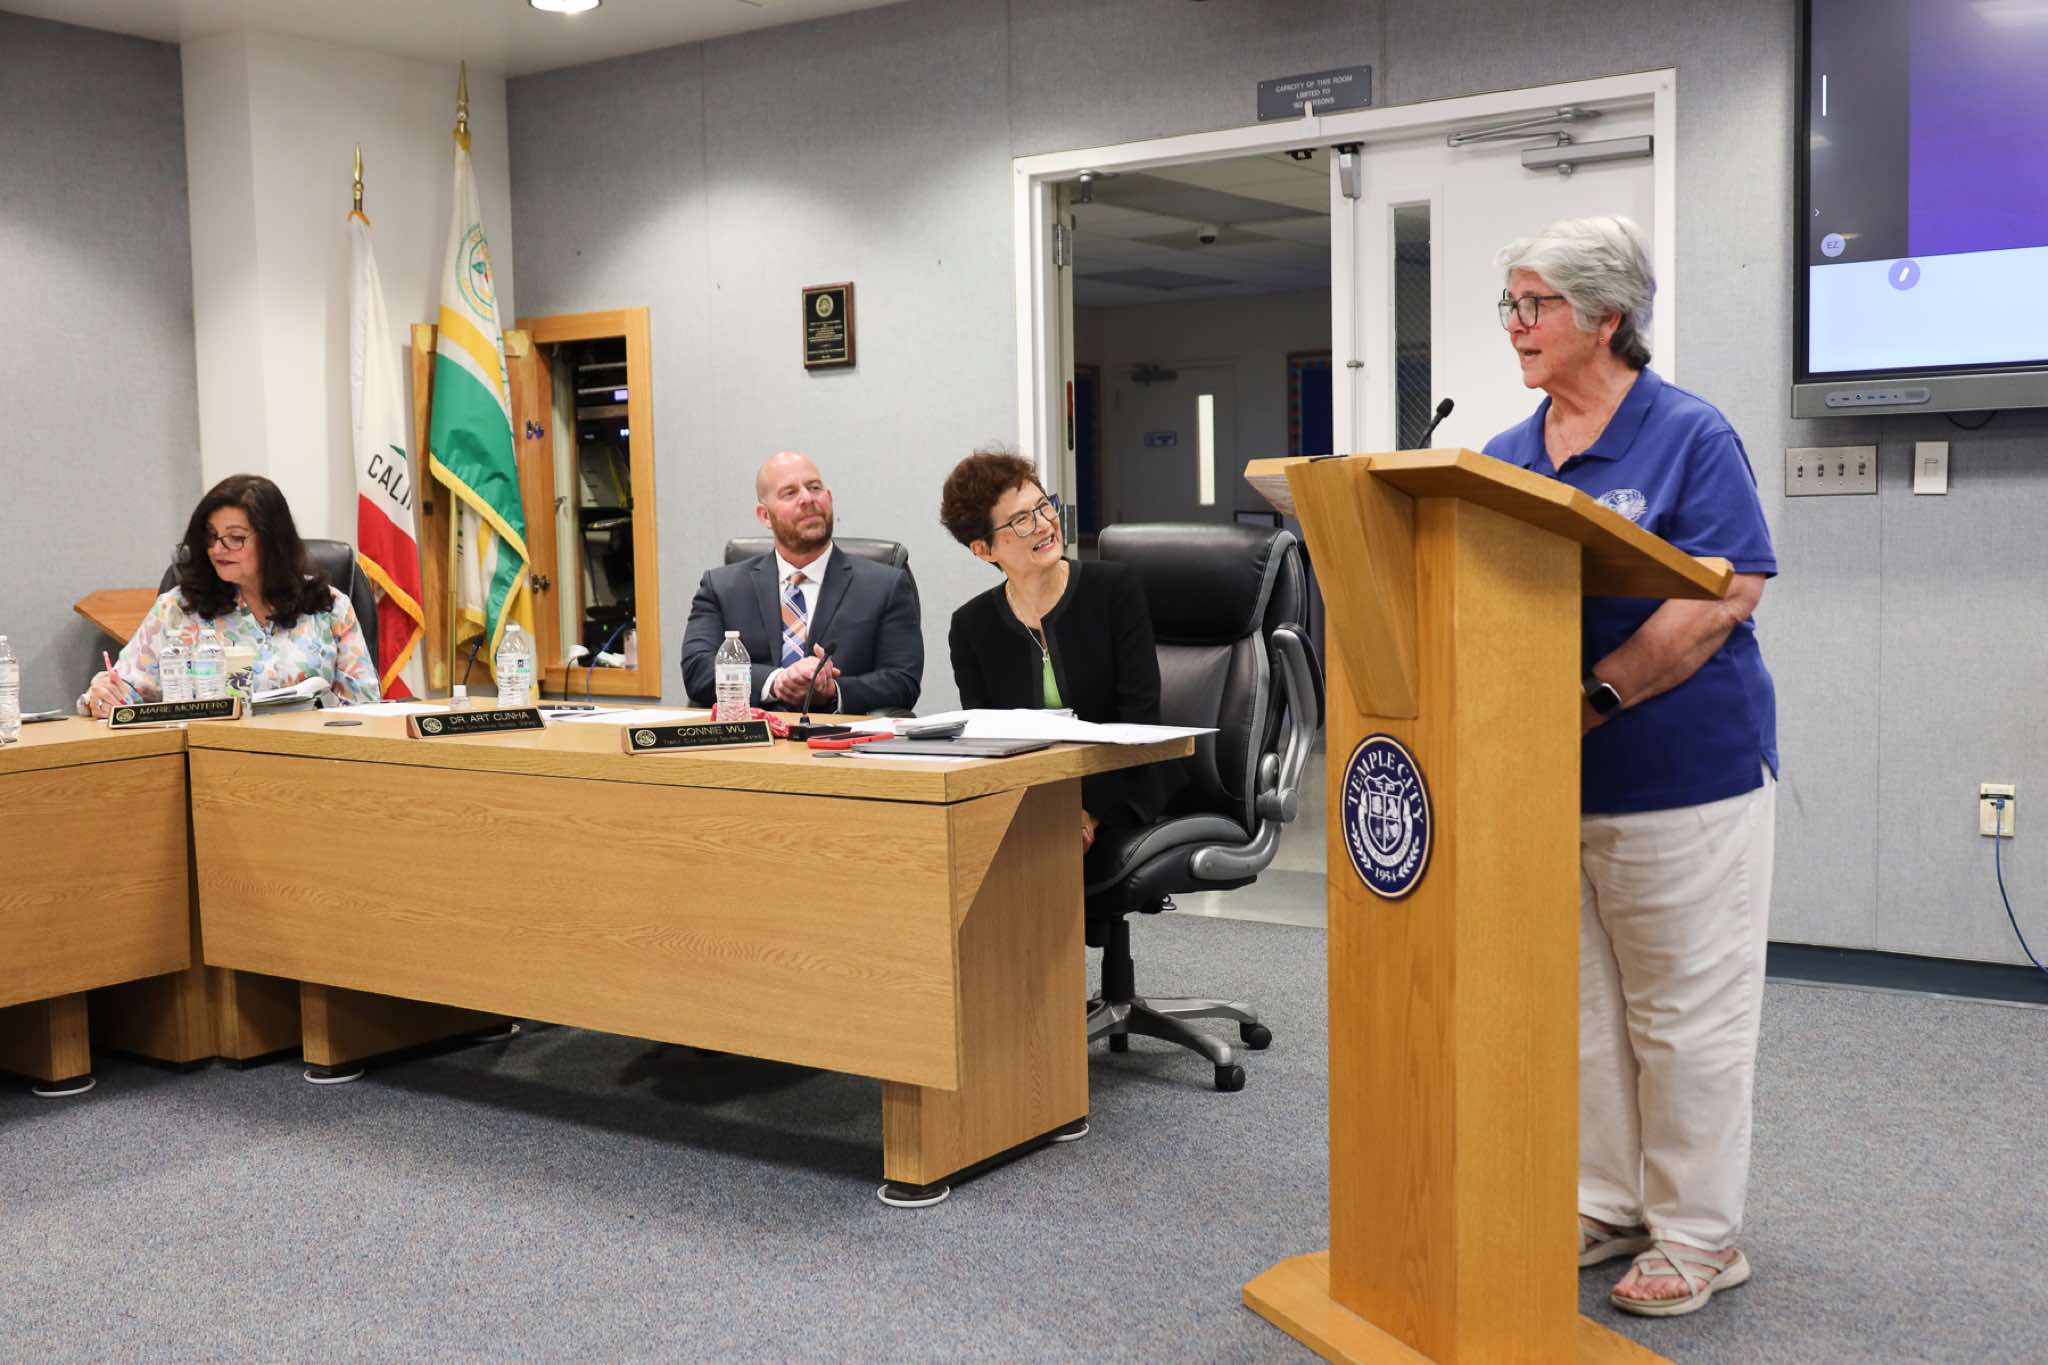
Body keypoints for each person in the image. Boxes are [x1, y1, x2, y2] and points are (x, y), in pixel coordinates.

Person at [1482, 216, 1778, 1319]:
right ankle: (1605, 1201)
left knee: (1683, 1014)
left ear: (1607, 317)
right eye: (1510, 305)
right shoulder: (1503, 458)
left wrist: (1590, 700)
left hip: (1679, 773)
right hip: (1547, 780)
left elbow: (1725, 594)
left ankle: (1699, 1235)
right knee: (1583, 1009)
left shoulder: (1687, 434)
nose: (1516, 325)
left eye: (1535, 304)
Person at [940, 449, 1184, 873]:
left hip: (1127, 790)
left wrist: (1089, 813)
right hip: (1035, 801)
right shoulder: (971, 627)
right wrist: (1042, 811)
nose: (1043, 524)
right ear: (983, 549)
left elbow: (1140, 725)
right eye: (1020, 520)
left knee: (1047, 861)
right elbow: (991, 747)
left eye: (1043, 506)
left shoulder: (1115, 591)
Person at [81, 473, 381, 716]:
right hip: (208, 760)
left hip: (314, 759)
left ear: (273, 541)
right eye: (211, 536)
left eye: (235, 538)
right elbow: (125, 690)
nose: (217, 549)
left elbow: (365, 705)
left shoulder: (329, 607)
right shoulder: (179, 608)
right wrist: (104, 694)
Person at [680, 450, 922, 713]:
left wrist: (832, 691)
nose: (807, 498)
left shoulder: (884, 586)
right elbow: (698, 669)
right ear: (764, 515)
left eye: (814, 487)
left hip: (837, 734)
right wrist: (776, 681)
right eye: (790, 493)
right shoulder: (722, 587)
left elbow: (902, 681)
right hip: (752, 733)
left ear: (829, 499)